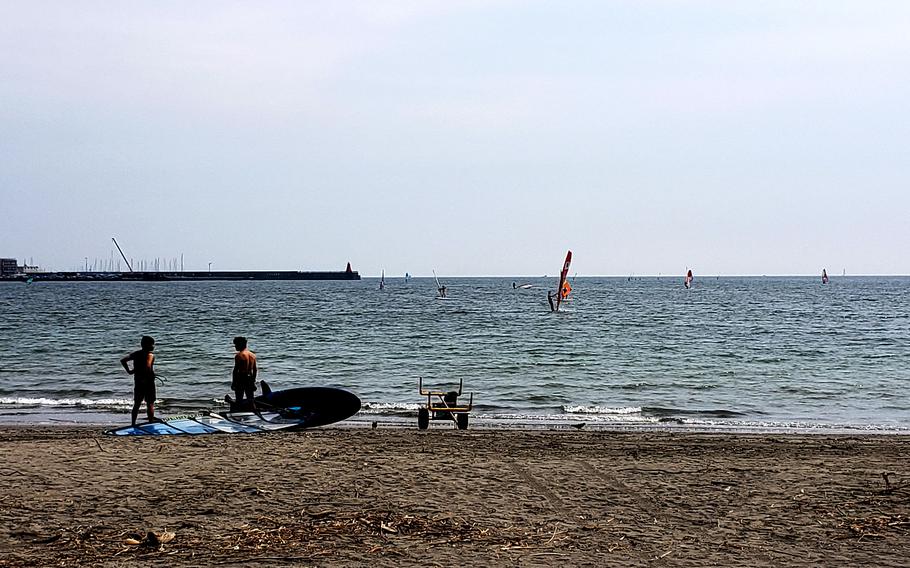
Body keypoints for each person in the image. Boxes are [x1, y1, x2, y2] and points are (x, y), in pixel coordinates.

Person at [120, 336, 156, 426]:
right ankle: (151, 423)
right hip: (148, 382)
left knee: (137, 404)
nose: (153, 346)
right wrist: (151, 375)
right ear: (147, 345)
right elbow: (148, 366)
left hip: (138, 381)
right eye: (152, 344)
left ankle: (133, 423)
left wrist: (130, 371)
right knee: (150, 403)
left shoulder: (136, 354)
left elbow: (123, 360)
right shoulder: (150, 355)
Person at [232, 336, 258, 406]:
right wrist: (253, 381)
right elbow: (255, 370)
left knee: (239, 398)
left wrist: (234, 382)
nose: (235, 347)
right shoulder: (253, 355)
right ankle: (254, 411)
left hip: (241, 378)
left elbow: (235, 370)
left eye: (236, 344)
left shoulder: (239, 355)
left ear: (241, 344)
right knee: (251, 398)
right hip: (250, 378)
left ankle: (238, 413)